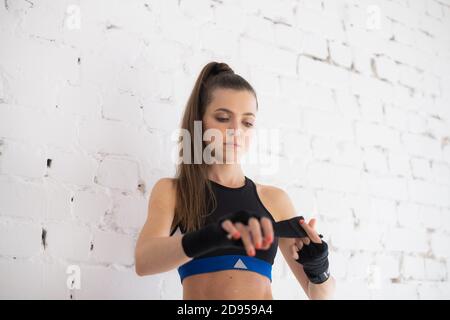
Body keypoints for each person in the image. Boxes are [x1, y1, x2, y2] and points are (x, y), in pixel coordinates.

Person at [135, 61, 335, 299]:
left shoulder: (274, 200)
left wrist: (318, 267)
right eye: (222, 118)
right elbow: (144, 261)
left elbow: (321, 296)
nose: (235, 131)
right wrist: (214, 236)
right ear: (200, 122)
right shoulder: (175, 191)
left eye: (247, 122)